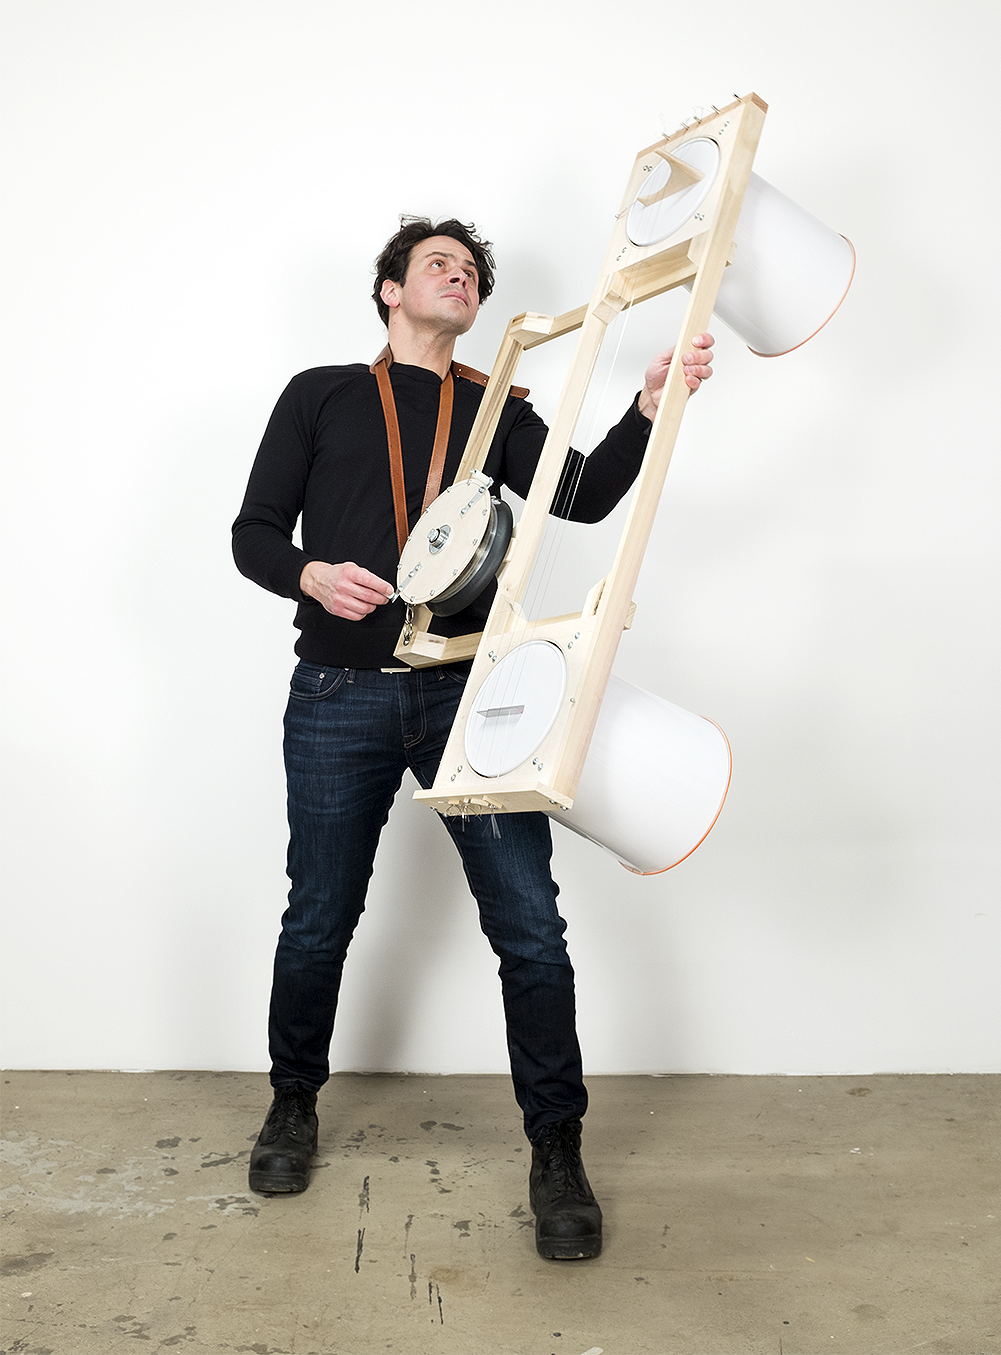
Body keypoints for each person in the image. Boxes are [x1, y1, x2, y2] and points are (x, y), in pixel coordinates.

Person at [231, 216, 713, 1260]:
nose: (459, 278)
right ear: (390, 290)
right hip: (338, 692)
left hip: (471, 694)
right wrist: (308, 573)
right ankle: (291, 1104)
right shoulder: (320, 394)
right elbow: (253, 532)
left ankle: (556, 1151)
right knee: (318, 917)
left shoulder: (497, 406)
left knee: (529, 925)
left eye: (471, 273)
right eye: (437, 265)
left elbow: (581, 495)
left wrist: (645, 403)